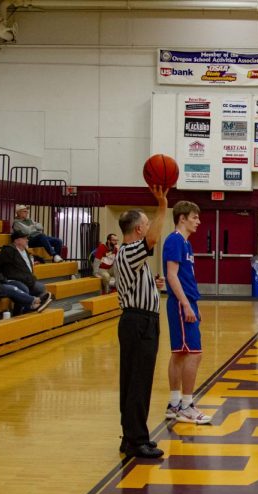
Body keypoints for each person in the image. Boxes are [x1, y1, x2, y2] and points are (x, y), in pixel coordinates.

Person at [115, 185, 168, 459]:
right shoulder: (130, 250)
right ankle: (137, 440)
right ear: (138, 230)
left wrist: (154, 285)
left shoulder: (129, 254)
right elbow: (153, 240)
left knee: (132, 380)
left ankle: (129, 436)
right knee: (139, 381)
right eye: (147, 225)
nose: (150, 229)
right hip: (138, 322)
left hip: (137, 320)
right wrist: (162, 206)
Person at [163, 200, 212, 425]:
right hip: (181, 303)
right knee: (194, 353)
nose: (198, 222)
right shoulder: (175, 241)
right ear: (182, 218)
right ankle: (186, 404)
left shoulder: (186, 244)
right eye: (195, 218)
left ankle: (174, 404)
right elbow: (172, 275)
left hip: (186, 301)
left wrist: (191, 302)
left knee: (180, 353)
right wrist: (185, 304)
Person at [0, 231, 48, 301]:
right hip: (14, 279)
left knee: (41, 287)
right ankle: (22, 309)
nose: (27, 240)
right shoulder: (8, 251)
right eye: (25, 238)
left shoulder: (24, 250)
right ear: (17, 240)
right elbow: (0, 264)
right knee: (25, 289)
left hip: (26, 279)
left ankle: (34, 305)